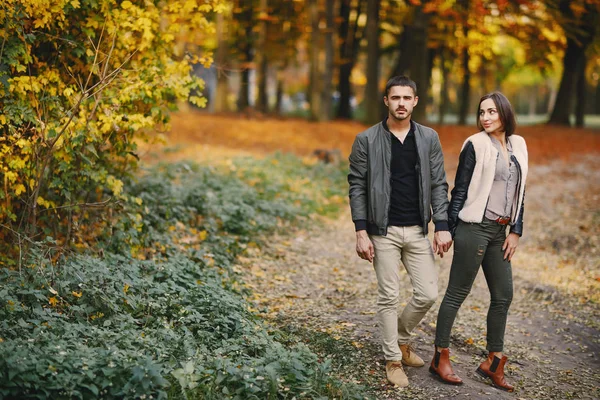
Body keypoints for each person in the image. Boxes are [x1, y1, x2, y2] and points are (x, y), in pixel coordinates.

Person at [348, 75, 453, 387]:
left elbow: (438, 183)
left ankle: (402, 340)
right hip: (383, 231)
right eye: (396, 98)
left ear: (415, 101)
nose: (401, 103)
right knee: (389, 296)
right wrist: (361, 231)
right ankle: (393, 359)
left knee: (428, 293)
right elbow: (356, 185)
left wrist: (442, 226)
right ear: (386, 101)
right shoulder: (366, 139)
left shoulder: (428, 138)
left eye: (407, 98)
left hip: (418, 229)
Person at [429, 92, 528, 392]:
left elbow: (521, 192)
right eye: (482, 112)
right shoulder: (474, 144)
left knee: (503, 295)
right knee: (457, 292)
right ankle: (439, 357)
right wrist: (445, 227)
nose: (485, 117)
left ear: (505, 114)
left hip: (501, 231)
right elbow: (459, 190)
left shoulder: (518, 144)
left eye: (492, 112)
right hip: (474, 228)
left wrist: (516, 230)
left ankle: (493, 362)